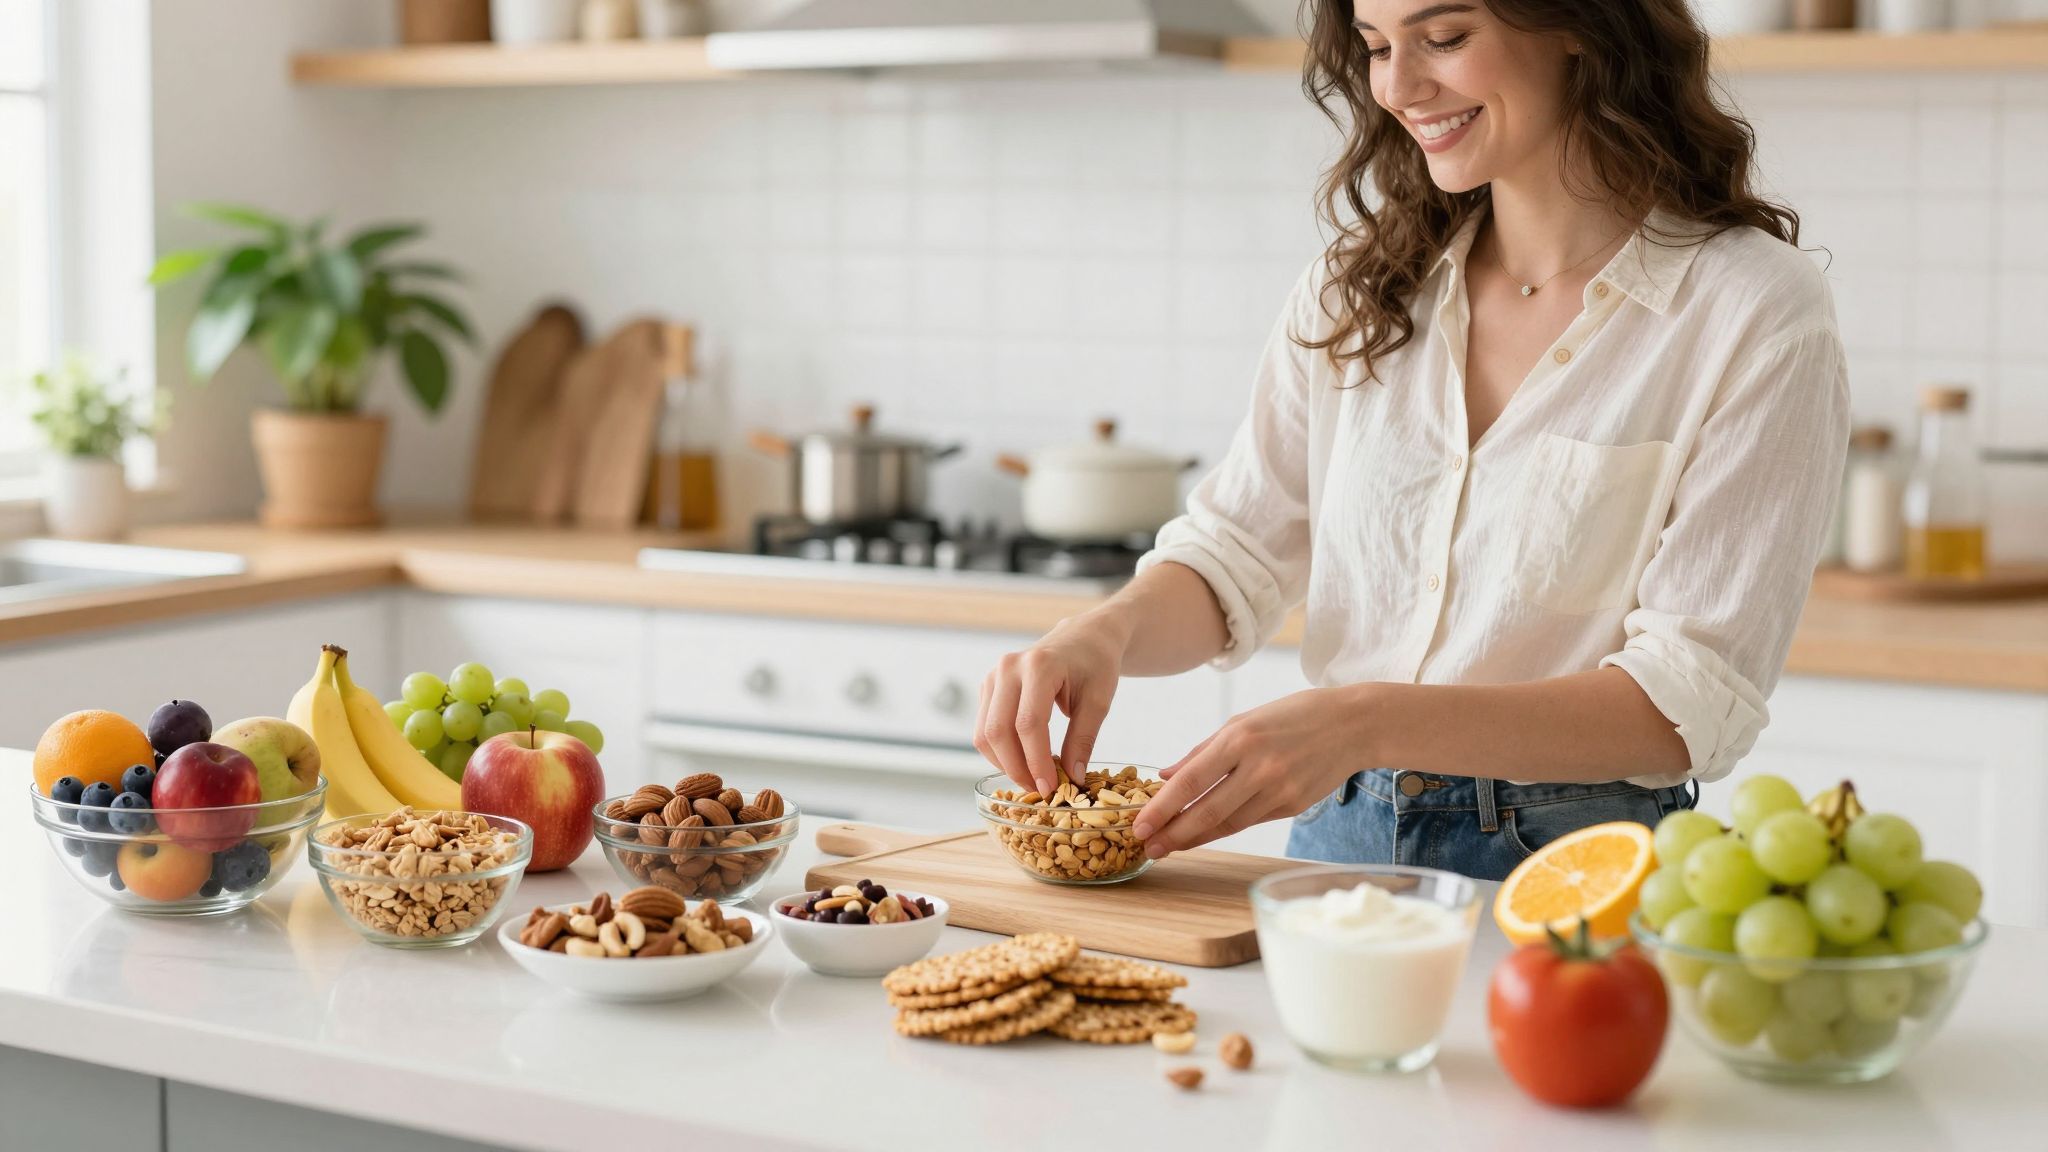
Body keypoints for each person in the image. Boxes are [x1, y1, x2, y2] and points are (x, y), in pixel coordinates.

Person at [972, 0, 1849, 881]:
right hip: (1332, 846)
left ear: (1584, 24)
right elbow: (1237, 554)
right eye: (1377, 47)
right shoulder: (1356, 287)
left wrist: (1361, 721)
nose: (1397, 85)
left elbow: (1684, 703)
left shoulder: (1751, 311)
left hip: (1574, 869)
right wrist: (1106, 633)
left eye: (1445, 38)